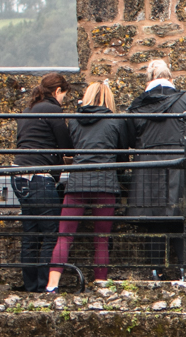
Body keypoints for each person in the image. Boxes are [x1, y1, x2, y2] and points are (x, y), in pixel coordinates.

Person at [122, 59, 186, 280]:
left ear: (148, 81)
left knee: (153, 220)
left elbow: (130, 138)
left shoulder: (137, 105)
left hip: (148, 168)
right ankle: (185, 270)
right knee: (182, 217)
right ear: (170, 78)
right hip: (180, 166)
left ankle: (156, 270)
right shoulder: (185, 100)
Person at [44, 79, 125, 291]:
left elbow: (71, 148)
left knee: (64, 236)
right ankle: (100, 283)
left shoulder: (75, 121)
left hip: (77, 182)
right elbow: (123, 153)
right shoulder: (116, 121)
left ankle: (52, 285)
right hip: (105, 184)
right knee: (101, 238)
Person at [12, 73, 71, 290]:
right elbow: (65, 143)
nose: (63, 99)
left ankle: (30, 285)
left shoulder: (28, 111)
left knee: (31, 232)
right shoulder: (53, 109)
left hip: (19, 174)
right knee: (50, 232)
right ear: (57, 91)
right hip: (39, 176)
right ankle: (43, 284)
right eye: (64, 95)